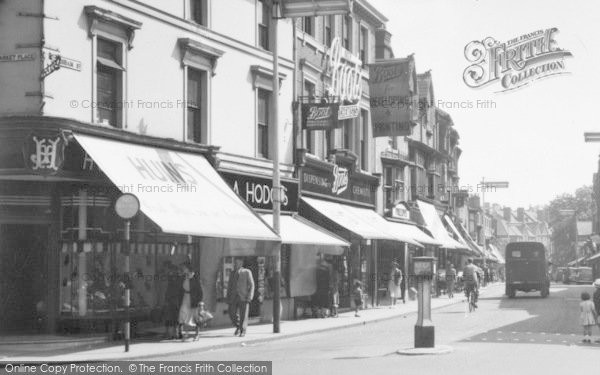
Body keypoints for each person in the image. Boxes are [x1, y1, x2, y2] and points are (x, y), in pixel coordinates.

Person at [227, 258, 255, 337]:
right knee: (231, 312)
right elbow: (229, 286)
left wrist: (250, 295)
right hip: (233, 296)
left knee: (244, 314)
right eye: (235, 263)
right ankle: (238, 326)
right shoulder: (232, 273)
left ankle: (243, 330)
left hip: (243, 296)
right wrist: (228, 296)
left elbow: (252, 284)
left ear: (241, 263)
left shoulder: (247, 272)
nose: (236, 264)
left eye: (238, 262)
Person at [177, 262, 203, 341]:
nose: (183, 269)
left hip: (193, 299)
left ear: (188, 268)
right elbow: (180, 288)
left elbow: (199, 290)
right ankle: (183, 333)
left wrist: (199, 300)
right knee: (183, 314)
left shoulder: (194, 276)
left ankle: (197, 334)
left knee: (194, 317)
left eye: (184, 268)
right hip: (185, 297)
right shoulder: (184, 277)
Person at [163, 261, 182, 339]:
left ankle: (176, 333)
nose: (170, 272)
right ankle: (173, 333)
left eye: (171, 271)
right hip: (172, 300)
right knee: (171, 318)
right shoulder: (172, 279)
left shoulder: (177, 279)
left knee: (175, 318)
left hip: (175, 300)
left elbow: (174, 290)